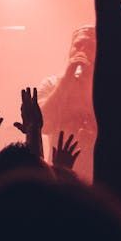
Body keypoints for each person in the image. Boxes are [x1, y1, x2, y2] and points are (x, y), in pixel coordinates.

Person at [37, 26, 96, 179]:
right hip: (59, 177)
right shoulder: (51, 84)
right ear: (70, 50)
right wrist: (67, 79)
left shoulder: (115, 88)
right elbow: (40, 125)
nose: (82, 50)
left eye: (90, 46)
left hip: (100, 179)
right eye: (78, 45)